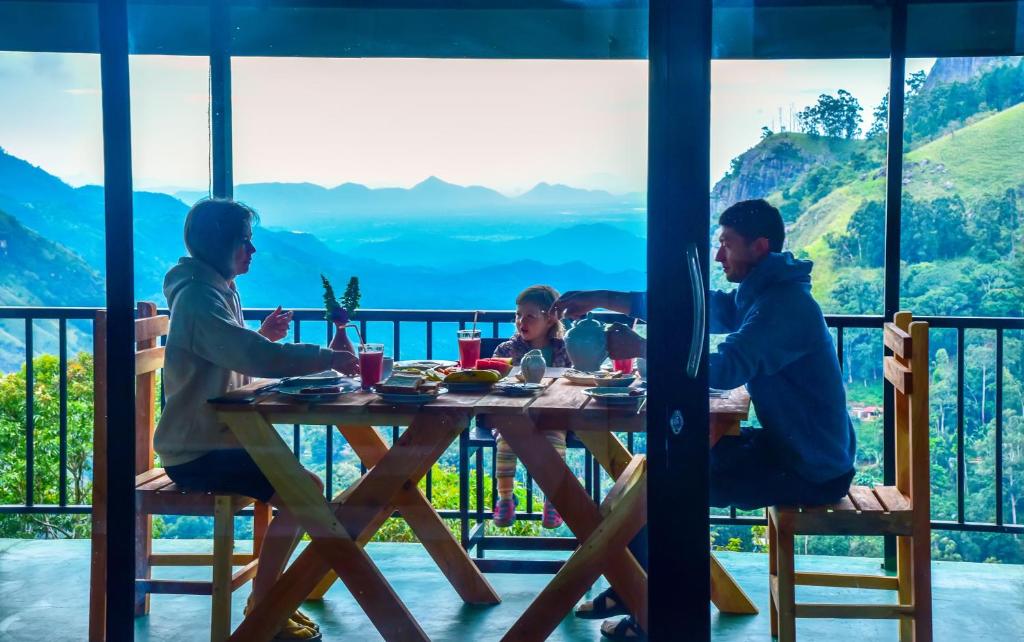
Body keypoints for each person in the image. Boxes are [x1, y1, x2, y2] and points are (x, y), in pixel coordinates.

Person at [553, 199, 856, 641]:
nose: (718, 257)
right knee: (658, 471)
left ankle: (647, 612)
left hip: (811, 468)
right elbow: (693, 308)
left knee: (665, 486)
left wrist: (641, 350)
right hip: (795, 451)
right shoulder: (766, 292)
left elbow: (724, 368)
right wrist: (605, 299)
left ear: (759, 246)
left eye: (725, 245)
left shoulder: (782, 306)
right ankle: (632, 589)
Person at [154, 198, 359, 641]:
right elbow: (251, 356)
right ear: (219, 244)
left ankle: (268, 598)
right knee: (303, 489)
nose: (252, 250)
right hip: (197, 451)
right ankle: (266, 603)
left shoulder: (213, 288)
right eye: (244, 241)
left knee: (302, 486)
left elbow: (229, 355)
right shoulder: (197, 298)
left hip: (214, 438)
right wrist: (327, 357)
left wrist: (261, 336)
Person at [491, 285, 573, 529]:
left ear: (550, 319)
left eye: (529, 316)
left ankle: (553, 499)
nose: (520, 321)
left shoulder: (565, 350)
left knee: (555, 442)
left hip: (553, 416)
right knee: (507, 439)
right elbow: (496, 385)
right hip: (513, 417)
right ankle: (505, 497)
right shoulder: (506, 351)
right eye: (518, 315)